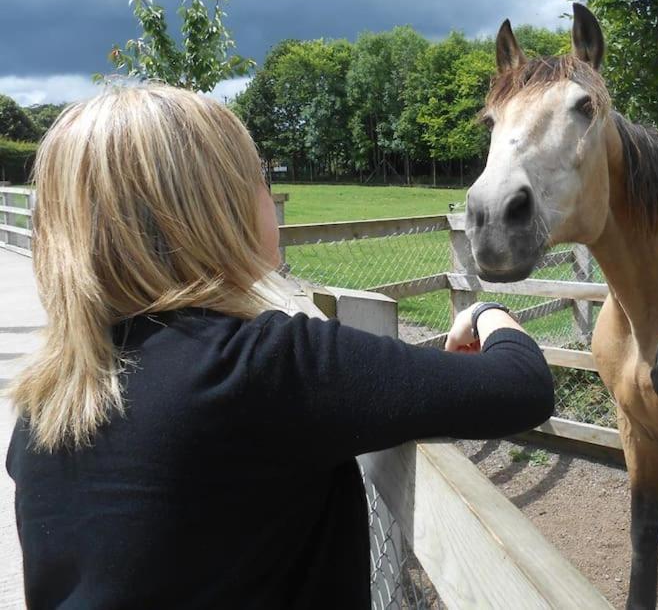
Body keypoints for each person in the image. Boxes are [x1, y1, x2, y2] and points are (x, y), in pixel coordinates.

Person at [6, 85, 554, 608]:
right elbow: (521, 386)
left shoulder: (45, 406)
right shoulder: (261, 366)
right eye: (260, 183)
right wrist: (489, 313)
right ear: (218, 213)